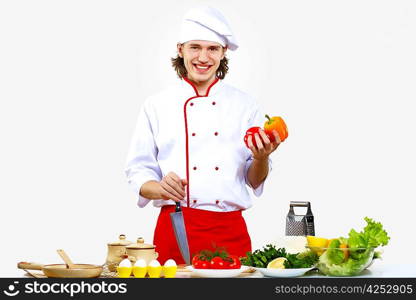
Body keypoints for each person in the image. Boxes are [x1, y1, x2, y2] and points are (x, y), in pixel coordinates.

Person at [125, 6, 281, 264]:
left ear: (223, 53)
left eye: (212, 49)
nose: (203, 57)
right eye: (194, 47)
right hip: (175, 228)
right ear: (180, 50)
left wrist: (262, 158)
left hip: (230, 230)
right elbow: (137, 172)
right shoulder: (157, 105)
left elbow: (254, 181)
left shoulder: (245, 106)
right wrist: (160, 187)